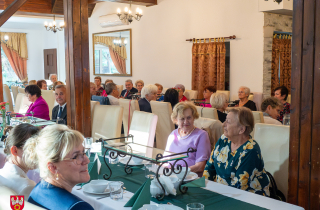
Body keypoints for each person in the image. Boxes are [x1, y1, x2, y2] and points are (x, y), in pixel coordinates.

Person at [24, 124, 94, 210]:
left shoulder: (37, 191)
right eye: (76, 156)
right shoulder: (77, 207)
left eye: (83, 152)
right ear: (53, 167)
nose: (87, 160)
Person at [203, 107, 270, 196]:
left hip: (248, 198)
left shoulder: (251, 150)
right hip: (221, 192)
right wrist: (203, 189)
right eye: (225, 120)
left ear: (241, 129)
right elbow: (209, 168)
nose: (223, 124)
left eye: (228, 122)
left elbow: (239, 187)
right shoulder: (224, 140)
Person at [165, 102, 211, 177]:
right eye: (182, 119)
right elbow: (164, 160)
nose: (186, 122)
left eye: (189, 117)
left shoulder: (201, 135)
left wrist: (179, 172)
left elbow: (200, 166)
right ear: (176, 120)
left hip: (189, 177)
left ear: (194, 117)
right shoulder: (173, 134)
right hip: (171, 175)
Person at [0, 124, 40, 199]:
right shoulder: (27, 186)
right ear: (15, 151)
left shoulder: (1, 174)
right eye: (31, 148)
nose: (39, 153)